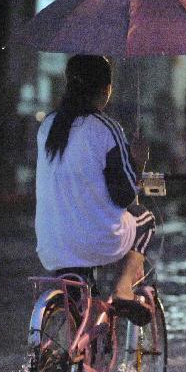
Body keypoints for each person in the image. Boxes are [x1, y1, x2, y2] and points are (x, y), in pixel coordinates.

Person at [35, 55, 154, 325]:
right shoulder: (106, 129)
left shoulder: (47, 127)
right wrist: (138, 161)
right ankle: (123, 289)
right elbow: (124, 195)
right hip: (96, 241)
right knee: (145, 219)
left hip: (51, 245)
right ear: (106, 89)